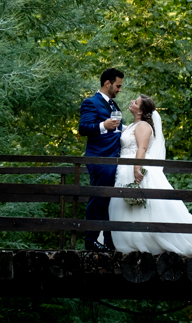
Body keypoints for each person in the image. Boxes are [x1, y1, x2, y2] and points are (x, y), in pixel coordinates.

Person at [108, 95, 192, 258]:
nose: (131, 102)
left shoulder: (143, 126)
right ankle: (132, 243)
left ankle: (146, 242)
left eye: (136, 102)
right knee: (127, 208)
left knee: (142, 208)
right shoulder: (132, 125)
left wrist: (136, 168)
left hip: (133, 168)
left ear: (141, 110)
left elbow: (142, 148)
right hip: (123, 170)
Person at [78, 67, 124, 252]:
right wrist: (102, 125)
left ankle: (107, 240)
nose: (120, 89)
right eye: (118, 86)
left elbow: (117, 129)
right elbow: (83, 128)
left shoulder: (113, 105)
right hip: (100, 158)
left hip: (114, 158)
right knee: (98, 198)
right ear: (107, 83)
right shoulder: (91, 103)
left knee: (108, 201)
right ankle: (91, 241)